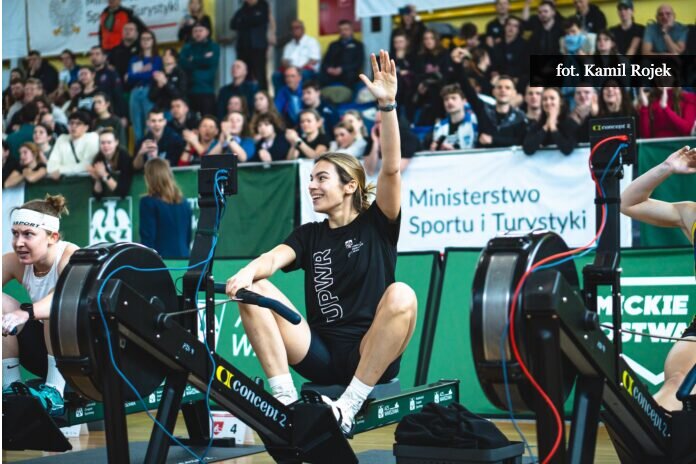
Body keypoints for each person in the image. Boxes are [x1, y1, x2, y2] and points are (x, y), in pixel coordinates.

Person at [225, 51, 416, 435]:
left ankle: (348, 406)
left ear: (349, 187)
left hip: (370, 352)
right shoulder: (310, 234)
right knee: (254, 288)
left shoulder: (378, 223)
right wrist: (246, 273)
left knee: (402, 295)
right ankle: (283, 400)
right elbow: (274, 258)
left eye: (321, 178)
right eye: (310, 178)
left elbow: (392, 167)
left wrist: (387, 105)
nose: (311, 185)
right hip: (321, 353)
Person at [620, 145, 696, 411]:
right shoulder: (692, 214)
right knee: (678, 383)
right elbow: (629, 203)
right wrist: (666, 168)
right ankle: (652, 450)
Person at [2, 195, 79, 416]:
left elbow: (64, 297)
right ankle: (12, 387)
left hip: (81, 357)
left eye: (28, 234)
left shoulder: (69, 256)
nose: (19, 243)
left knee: (52, 310)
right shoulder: (14, 261)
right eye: (15, 234)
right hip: (42, 355)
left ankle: (55, 392)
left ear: (52, 237)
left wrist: (26, 313)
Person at [139, 158, 192, 259]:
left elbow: (148, 238)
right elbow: (188, 237)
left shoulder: (148, 202)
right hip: (184, 260)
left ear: (149, 177)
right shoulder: (184, 203)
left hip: (160, 262)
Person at [127, 30, 162, 142]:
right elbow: (130, 77)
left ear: (153, 41)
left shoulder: (157, 59)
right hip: (135, 92)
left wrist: (139, 73)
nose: (146, 41)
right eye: (143, 39)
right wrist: (145, 71)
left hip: (149, 91)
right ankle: (140, 155)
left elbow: (154, 75)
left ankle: (151, 152)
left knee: (150, 124)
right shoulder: (134, 59)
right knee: (137, 126)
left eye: (148, 38)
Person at [179, 21, 220, 117]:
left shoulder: (213, 46)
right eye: (195, 31)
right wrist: (203, 59)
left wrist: (192, 60)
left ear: (207, 32)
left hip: (207, 91)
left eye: (200, 30)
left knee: (208, 121)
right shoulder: (187, 47)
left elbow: (210, 62)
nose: (198, 33)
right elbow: (182, 64)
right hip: (189, 91)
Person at [522, 87, 577, 155]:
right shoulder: (538, 125)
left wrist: (553, 128)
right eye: (545, 99)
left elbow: (567, 149)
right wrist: (545, 127)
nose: (548, 102)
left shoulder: (570, 123)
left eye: (552, 98)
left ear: (561, 101)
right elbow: (528, 149)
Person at [230, 0, 271, 90]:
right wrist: (248, 20)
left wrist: (243, 21)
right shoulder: (242, 9)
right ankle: (244, 99)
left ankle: (263, 98)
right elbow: (232, 24)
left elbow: (260, 19)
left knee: (259, 75)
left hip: (258, 47)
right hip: (243, 47)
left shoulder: (263, 6)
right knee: (243, 75)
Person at [46, 110, 100, 179]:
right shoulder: (62, 138)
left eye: (78, 123)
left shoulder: (92, 137)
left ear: (86, 127)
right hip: (64, 182)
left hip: (84, 181)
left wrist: (60, 170)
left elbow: (86, 166)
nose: (74, 126)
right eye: (71, 123)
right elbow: (50, 167)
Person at [273, 19, 321, 90]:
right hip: (291, 70)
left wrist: (298, 70)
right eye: (292, 28)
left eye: (297, 28)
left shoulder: (311, 42)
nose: (294, 30)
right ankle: (281, 100)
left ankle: (300, 99)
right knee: (276, 75)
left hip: (307, 71)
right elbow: (284, 61)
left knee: (303, 74)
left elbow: (314, 60)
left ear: (303, 29)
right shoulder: (288, 45)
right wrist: (291, 69)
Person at [87, 128, 133, 199]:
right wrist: (97, 180)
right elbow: (97, 195)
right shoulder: (98, 159)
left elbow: (122, 192)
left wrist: (104, 174)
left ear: (116, 142)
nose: (105, 146)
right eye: (102, 143)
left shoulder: (124, 156)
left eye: (109, 142)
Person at [430, 83, 478, 151]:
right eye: (446, 99)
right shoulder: (439, 126)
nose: (449, 102)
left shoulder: (474, 121)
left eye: (453, 98)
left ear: (464, 101)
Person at [320, 20, 366, 89]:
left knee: (351, 76)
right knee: (321, 76)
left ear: (351, 30)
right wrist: (329, 68)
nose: (343, 32)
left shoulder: (358, 45)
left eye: (346, 29)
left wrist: (342, 69)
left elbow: (358, 63)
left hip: (348, 73)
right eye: (341, 30)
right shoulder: (333, 45)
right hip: (332, 73)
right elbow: (325, 61)